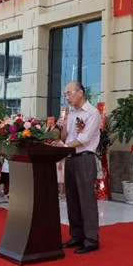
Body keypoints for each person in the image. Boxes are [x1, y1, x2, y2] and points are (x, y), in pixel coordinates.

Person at [56, 81, 101, 254]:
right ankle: (76, 236)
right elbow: (66, 137)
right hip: (71, 158)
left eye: (69, 93)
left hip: (84, 159)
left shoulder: (92, 113)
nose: (67, 97)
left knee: (86, 200)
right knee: (72, 199)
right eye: (65, 95)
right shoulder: (72, 113)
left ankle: (91, 239)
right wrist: (63, 124)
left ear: (80, 92)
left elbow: (84, 139)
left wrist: (64, 148)